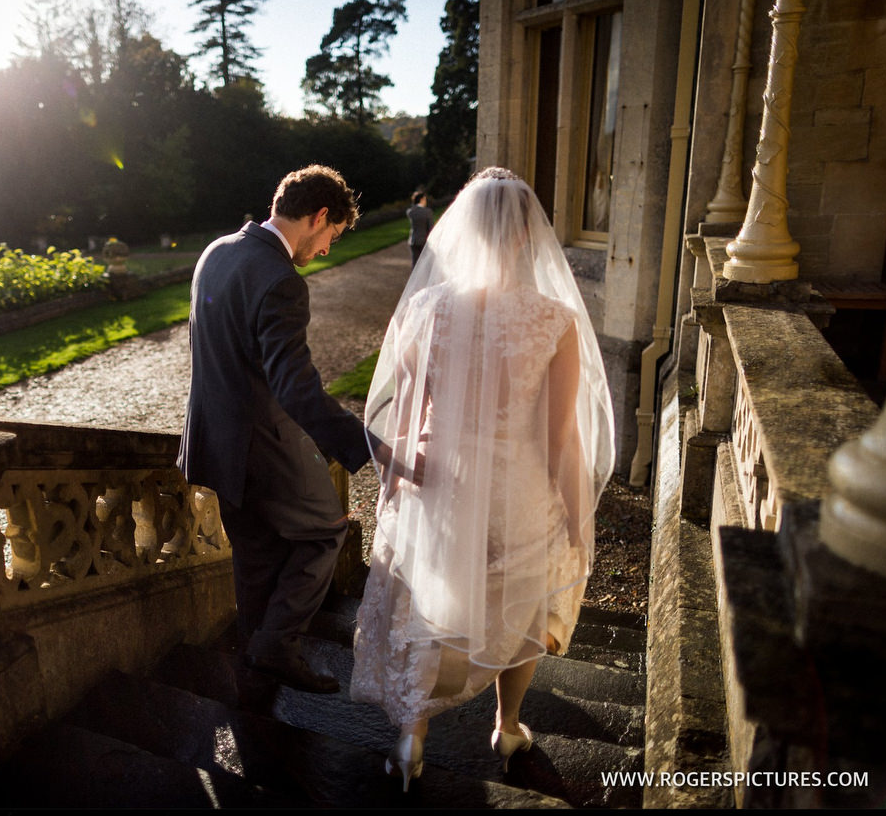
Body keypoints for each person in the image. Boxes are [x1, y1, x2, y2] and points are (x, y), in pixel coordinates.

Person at [350, 167, 615, 790]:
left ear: (460, 231)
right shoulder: (553, 321)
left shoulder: (425, 308)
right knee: (521, 607)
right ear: (528, 238)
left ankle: (412, 737)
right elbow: (559, 438)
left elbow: (408, 406)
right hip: (516, 489)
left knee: (427, 603)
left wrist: (400, 484)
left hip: (439, 480)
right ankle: (509, 725)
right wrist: (576, 515)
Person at [178, 164, 373, 694]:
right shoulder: (282, 281)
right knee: (324, 532)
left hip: (211, 442)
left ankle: (255, 659)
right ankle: (275, 645)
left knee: (256, 553)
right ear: (320, 216)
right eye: (332, 236)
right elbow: (296, 390)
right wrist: (365, 444)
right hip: (259, 446)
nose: (328, 248)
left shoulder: (215, 252)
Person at [406, 191, 434, 268]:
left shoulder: (410, 212)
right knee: (426, 264)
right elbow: (430, 228)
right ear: (421, 199)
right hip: (424, 240)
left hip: (413, 240)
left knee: (415, 263)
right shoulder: (428, 212)